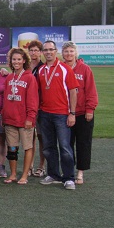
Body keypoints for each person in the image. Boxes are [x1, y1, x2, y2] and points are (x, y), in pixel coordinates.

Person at [37, 40, 79, 190]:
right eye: (45, 50)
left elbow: (73, 91)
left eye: (51, 50)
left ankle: (69, 178)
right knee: (48, 147)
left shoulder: (65, 69)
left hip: (62, 114)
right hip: (45, 114)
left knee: (65, 147)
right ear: (43, 52)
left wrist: (72, 113)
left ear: (56, 51)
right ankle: (54, 174)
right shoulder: (41, 70)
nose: (48, 52)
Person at [62, 41, 98, 185]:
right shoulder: (61, 68)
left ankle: (80, 172)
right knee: (67, 144)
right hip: (65, 113)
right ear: (62, 53)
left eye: (71, 51)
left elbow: (91, 90)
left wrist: (90, 109)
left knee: (83, 143)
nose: (69, 54)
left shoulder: (85, 69)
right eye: (66, 51)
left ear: (76, 53)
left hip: (83, 113)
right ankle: (68, 171)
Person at [1, 48, 39, 185]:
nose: (16, 62)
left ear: (24, 60)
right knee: (12, 148)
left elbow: (33, 100)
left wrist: (30, 118)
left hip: (25, 120)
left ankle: (24, 175)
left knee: (27, 147)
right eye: (14, 59)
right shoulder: (10, 77)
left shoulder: (29, 77)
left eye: (19, 59)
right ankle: (12, 174)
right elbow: (5, 98)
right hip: (10, 119)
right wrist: (4, 116)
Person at [27, 40, 46, 177]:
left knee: (41, 137)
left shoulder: (44, 67)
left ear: (40, 52)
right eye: (31, 50)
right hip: (27, 107)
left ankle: (41, 165)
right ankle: (30, 166)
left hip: (41, 107)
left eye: (36, 50)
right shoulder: (25, 66)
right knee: (29, 138)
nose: (33, 53)